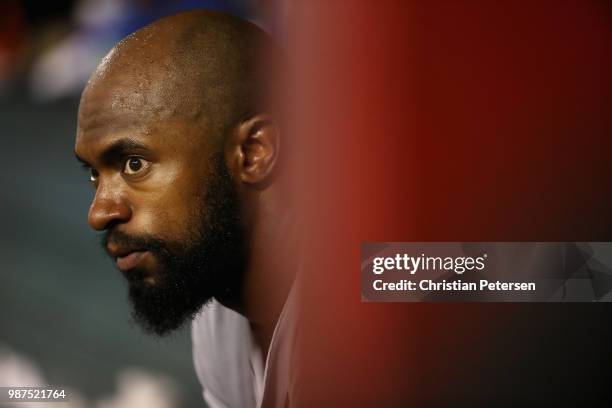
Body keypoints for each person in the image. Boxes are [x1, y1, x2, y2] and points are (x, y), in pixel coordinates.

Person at [74, 10, 296, 407]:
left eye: (133, 164)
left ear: (253, 153)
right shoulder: (219, 307)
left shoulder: (392, 281)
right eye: (94, 173)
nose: (98, 213)